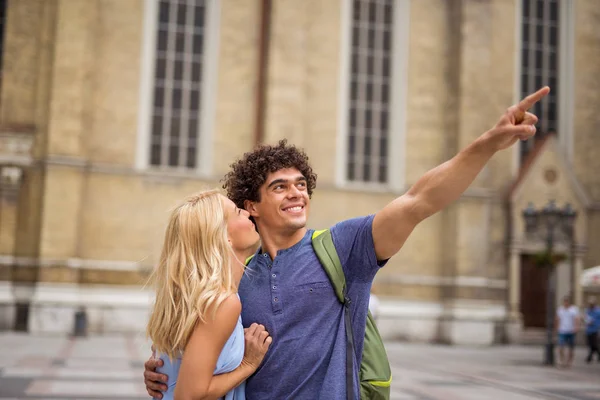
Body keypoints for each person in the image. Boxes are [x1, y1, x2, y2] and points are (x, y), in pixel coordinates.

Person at [144, 87, 549, 399]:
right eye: (280, 187)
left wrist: (486, 146)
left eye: (301, 185)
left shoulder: (342, 248)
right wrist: (165, 373)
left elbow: (418, 201)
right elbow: (201, 352)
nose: (296, 194)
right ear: (250, 205)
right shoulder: (238, 276)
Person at [145, 190, 272, 400]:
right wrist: (248, 364)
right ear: (224, 237)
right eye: (238, 212)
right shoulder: (223, 302)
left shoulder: (202, 297)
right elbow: (188, 396)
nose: (248, 214)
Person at [555, 295, 579, 368]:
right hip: (562, 330)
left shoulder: (574, 309)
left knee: (571, 348)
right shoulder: (560, 309)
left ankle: (569, 362)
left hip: (571, 330)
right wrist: (557, 328)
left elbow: (576, 319)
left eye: (567, 301)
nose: (565, 303)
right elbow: (557, 319)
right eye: (564, 301)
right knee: (561, 346)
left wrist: (576, 327)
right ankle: (562, 361)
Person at [584, 296, 600, 363]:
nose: (591, 305)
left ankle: (589, 357)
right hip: (589, 329)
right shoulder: (587, 310)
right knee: (591, 344)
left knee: (594, 344)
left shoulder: (598, 311)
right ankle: (592, 356)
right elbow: (585, 318)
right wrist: (586, 321)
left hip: (595, 329)